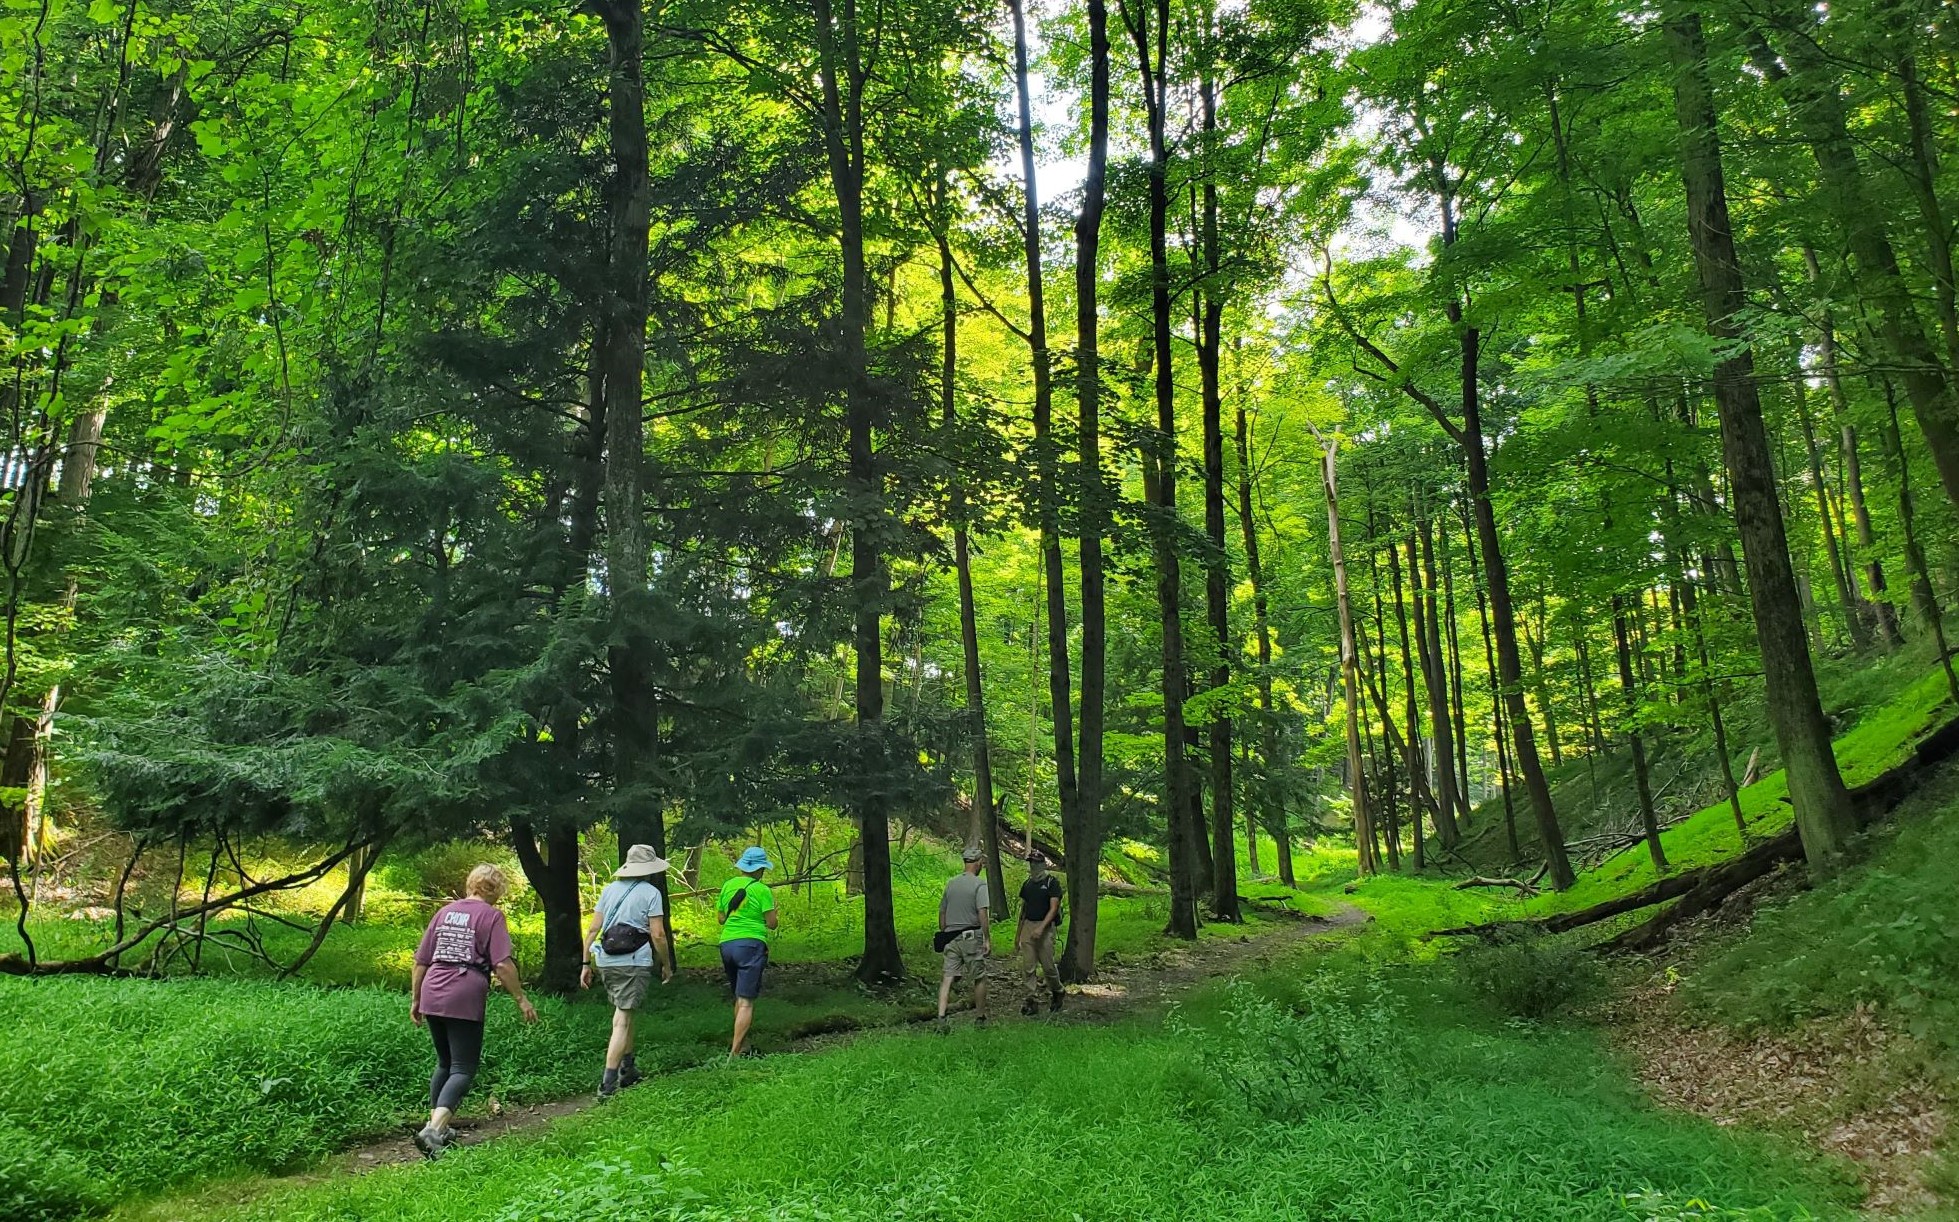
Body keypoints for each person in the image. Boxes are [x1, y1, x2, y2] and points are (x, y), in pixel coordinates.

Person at [410, 863, 537, 1157]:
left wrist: (416, 999)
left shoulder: (443, 913)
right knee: (463, 1067)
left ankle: (438, 1128)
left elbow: (421, 961)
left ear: (470, 885)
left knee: (444, 1063)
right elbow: (502, 964)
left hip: (433, 988)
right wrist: (521, 999)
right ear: (497, 891)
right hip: (463, 991)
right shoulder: (491, 916)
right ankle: (432, 1130)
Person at [580, 843, 673, 1099]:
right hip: (634, 961)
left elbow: (592, 929)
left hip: (607, 960)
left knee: (624, 1013)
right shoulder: (651, 893)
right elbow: (658, 933)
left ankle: (628, 1069)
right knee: (622, 1019)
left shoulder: (609, 890)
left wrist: (586, 963)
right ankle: (607, 1084)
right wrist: (665, 963)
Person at [716, 846, 777, 1059]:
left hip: (727, 944)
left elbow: (721, 919)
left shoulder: (727, 886)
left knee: (738, 997)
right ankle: (734, 1054)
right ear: (760, 869)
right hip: (751, 945)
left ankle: (742, 1045)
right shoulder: (762, 890)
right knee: (746, 1001)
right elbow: (772, 924)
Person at [935, 845, 992, 1029]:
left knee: (947, 978)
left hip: (950, 937)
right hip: (970, 936)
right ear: (977, 864)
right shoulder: (979, 884)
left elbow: (942, 912)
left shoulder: (951, 883)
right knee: (979, 977)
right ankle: (980, 1018)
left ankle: (941, 1017)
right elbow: (982, 912)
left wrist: (945, 933)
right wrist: (986, 938)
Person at [1016, 851, 1064, 1015]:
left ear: (1043, 864)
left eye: (1036, 863)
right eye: (1031, 863)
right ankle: (1031, 1000)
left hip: (1045, 927)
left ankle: (1058, 991)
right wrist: (1018, 935)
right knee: (1028, 967)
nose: (1033, 866)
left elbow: (1054, 908)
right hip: (1028, 926)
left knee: (1048, 966)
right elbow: (1023, 910)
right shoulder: (1027, 884)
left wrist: (1041, 928)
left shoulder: (1052, 883)